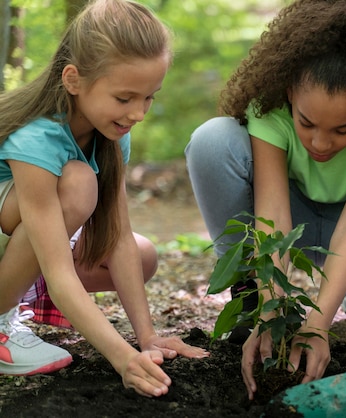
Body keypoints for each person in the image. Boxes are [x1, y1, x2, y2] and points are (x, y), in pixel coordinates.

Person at [185, 0, 346, 400]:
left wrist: (317, 325)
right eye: (306, 123)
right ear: (290, 92)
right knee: (212, 140)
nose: (321, 143)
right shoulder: (271, 110)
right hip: (294, 215)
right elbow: (272, 216)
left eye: (343, 130)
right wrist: (273, 312)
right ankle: (251, 287)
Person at [0, 0, 208, 398]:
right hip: (17, 238)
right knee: (78, 183)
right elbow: (59, 273)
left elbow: (118, 236)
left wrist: (146, 338)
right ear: (74, 79)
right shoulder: (36, 139)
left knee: (142, 255)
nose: (139, 113)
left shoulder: (110, 135)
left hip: (18, 244)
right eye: (125, 98)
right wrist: (121, 357)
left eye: (149, 97)